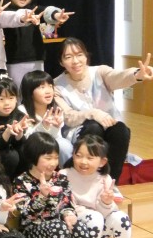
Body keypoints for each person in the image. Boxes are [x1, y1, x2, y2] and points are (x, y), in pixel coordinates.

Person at [13, 132, 106, 238]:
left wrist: (69, 214)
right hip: (33, 230)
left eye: (56, 158)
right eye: (48, 158)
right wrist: (42, 196)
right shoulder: (21, 181)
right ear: (33, 157)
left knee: (78, 225)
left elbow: (66, 203)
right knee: (59, 227)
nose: (53, 163)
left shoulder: (61, 178)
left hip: (59, 228)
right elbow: (26, 213)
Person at [54, 37, 153, 185]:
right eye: (68, 57)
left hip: (109, 125)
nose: (75, 61)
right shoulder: (57, 85)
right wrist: (92, 113)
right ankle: (86, 181)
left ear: (86, 56)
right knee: (94, 126)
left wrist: (137, 75)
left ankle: (110, 183)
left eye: (79, 55)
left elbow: (118, 77)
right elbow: (68, 116)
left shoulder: (99, 72)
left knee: (120, 130)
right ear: (61, 62)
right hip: (78, 132)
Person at [60, 134, 136, 238]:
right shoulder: (64, 175)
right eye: (78, 155)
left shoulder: (104, 179)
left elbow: (107, 214)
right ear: (72, 155)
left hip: (98, 228)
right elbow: (65, 207)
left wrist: (106, 202)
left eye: (90, 158)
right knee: (94, 217)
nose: (83, 161)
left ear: (102, 162)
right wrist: (90, 212)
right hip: (75, 231)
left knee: (121, 218)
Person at [3, 0, 74, 86]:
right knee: (17, 92)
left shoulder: (35, 10)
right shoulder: (4, 12)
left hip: (36, 59)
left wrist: (56, 15)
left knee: (37, 90)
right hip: (13, 61)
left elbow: (47, 11)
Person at [20, 70, 73, 168]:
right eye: (42, 87)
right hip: (32, 150)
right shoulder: (22, 111)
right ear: (30, 92)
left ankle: (67, 173)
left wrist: (56, 127)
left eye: (50, 86)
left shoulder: (56, 110)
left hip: (51, 148)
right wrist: (43, 125)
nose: (48, 91)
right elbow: (28, 139)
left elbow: (56, 139)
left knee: (64, 145)